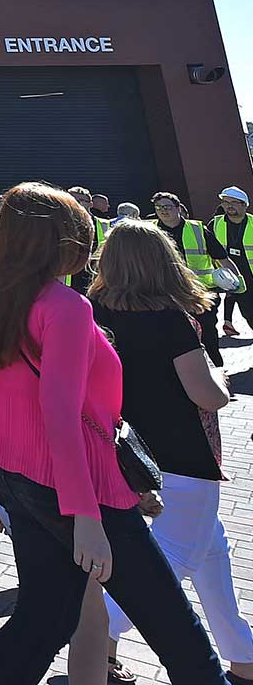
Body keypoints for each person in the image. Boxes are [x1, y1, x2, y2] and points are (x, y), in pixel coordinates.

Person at [0, 183, 226, 683]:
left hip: (19, 474)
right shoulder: (64, 306)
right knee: (176, 629)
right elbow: (60, 413)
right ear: (60, 243)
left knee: (45, 617)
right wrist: (85, 515)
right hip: (83, 485)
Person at [90, 222, 253, 680]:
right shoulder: (167, 317)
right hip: (182, 455)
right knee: (173, 562)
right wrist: (222, 380)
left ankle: (243, 655)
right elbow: (207, 394)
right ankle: (59, 644)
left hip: (128, 451)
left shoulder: (95, 310)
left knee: (209, 551)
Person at [151, 190, 225, 365]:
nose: (163, 211)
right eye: (159, 207)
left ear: (178, 208)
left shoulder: (198, 230)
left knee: (207, 335)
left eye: (167, 207)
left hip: (200, 294)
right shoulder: (151, 232)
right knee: (176, 336)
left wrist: (234, 281)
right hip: (165, 294)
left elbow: (221, 258)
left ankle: (217, 370)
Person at [209, 185, 253, 337]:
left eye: (233, 202)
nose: (229, 206)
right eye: (225, 202)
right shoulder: (215, 224)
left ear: (244, 204)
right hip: (233, 279)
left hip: (251, 276)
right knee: (249, 314)